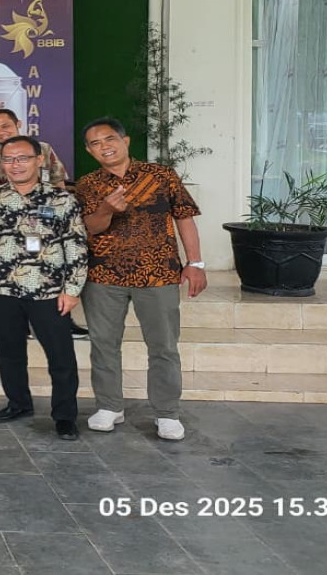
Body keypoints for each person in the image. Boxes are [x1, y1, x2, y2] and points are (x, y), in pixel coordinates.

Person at [74, 117, 206, 442]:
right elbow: (90, 228)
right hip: (104, 275)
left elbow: (184, 218)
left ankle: (167, 413)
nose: (104, 147)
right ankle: (109, 406)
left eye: (109, 139)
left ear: (125, 141)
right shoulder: (87, 184)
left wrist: (196, 263)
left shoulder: (161, 175)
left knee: (163, 346)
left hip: (158, 273)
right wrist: (106, 209)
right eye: (95, 143)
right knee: (104, 344)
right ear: (89, 151)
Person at [0, 137, 86, 440]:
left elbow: (76, 245)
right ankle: (18, 403)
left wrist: (72, 289)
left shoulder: (61, 199)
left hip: (48, 291)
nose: (15, 165)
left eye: (22, 158)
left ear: (39, 160)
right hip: (2, 289)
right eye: (8, 159)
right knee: (9, 353)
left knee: (60, 356)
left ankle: (65, 416)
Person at [0, 109, 70, 192]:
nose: (1, 132)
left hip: (46, 203)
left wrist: (60, 202)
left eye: (5, 126)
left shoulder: (44, 148)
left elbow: (58, 181)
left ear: (18, 124)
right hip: (7, 205)